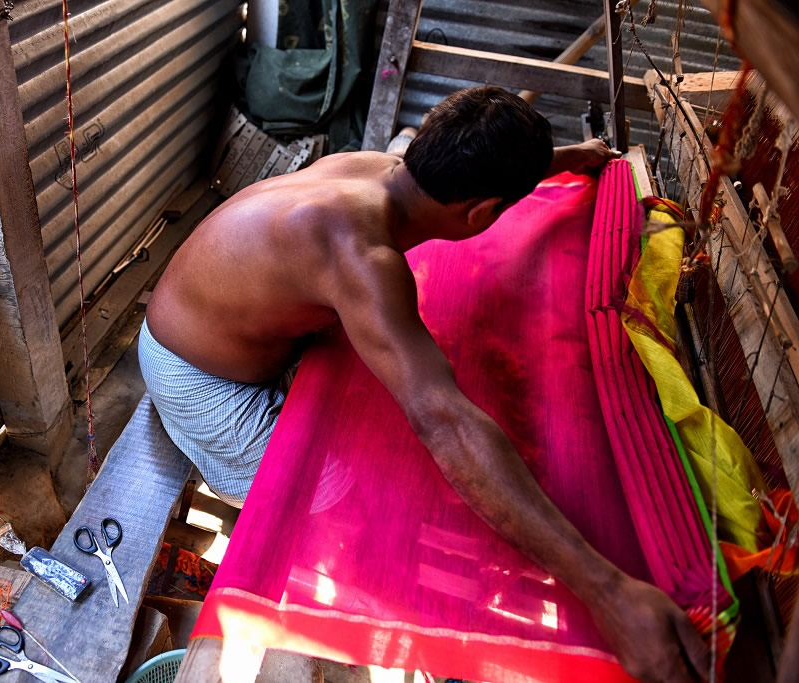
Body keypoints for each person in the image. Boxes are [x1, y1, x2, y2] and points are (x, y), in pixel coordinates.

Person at [140, 86, 709, 681]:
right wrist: (609, 591)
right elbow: (446, 422)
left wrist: (574, 157)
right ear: (482, 215)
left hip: (222, 320)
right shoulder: (360, 256)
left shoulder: (384, 168)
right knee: (330, 494)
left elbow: (484, 170)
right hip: (197, 375)